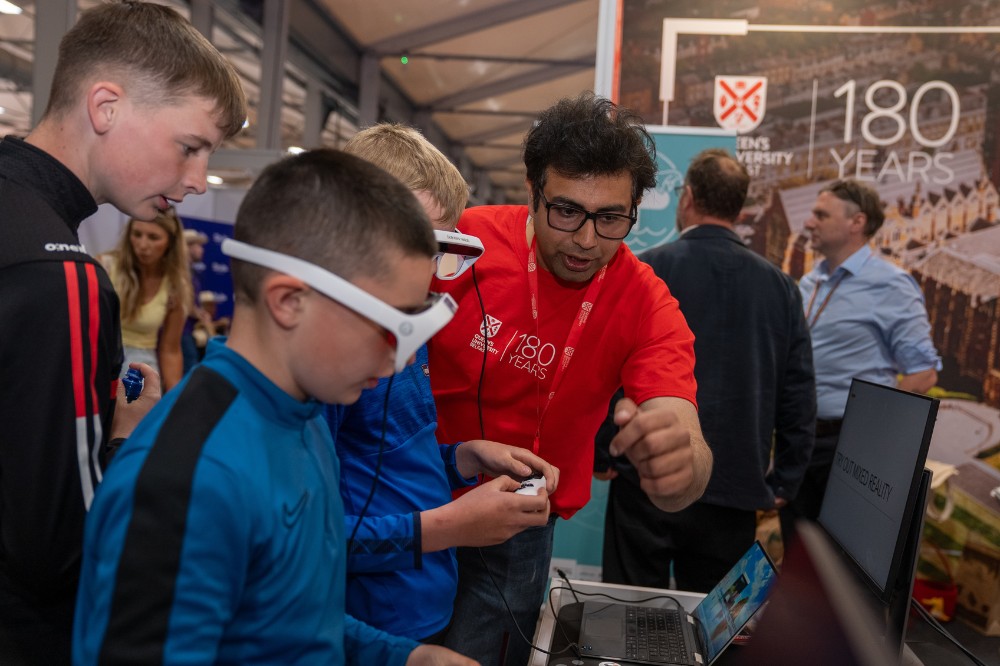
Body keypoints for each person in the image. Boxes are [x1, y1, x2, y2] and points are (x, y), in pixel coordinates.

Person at [73, 148, 474, 666]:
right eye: (388, 325)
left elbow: (290, 617)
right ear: (288, 302)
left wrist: (404, 657)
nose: (399, 358)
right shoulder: (188, 479)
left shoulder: (302, 419)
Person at [428, 92, 713, 665]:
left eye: (611, 218)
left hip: (521, 526)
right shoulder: (463, 243)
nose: (587, 240)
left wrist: (679, 465)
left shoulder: (645, 300)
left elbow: (684, 436)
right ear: (533, 193)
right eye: (567, 212)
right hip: (415, 496)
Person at [0, 2, 246, 662]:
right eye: (189, 147)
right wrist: (125, 435)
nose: (197, 181)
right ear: (105, 106)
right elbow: (59, 543)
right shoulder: (65, 280)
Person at [329, 123, 559, 643]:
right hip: (367, 622)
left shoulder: (405, 334)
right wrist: (451, 528)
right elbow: (310, 541)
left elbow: (383, 463)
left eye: (440, 249)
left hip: (422, 605)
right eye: (418, 244)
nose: (430, 271)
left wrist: (464, 457)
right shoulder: (330, 360)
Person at [596, 149, 816, 592]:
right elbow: (798, 392)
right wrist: (787, 478)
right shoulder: (781, 287)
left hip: (646, 478)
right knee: (713, 635)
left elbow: (607, 371)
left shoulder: (645, 271)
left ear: (688, 198)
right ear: (739, 208)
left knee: (626, 618)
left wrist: (604, 453)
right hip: (735, 487)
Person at [780, 178, 941, 540]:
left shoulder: (892, 285)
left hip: (848, 449)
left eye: (821, 215)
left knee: (845, 570)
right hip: (800, 442)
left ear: (857, 222)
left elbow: (923, 374)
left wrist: (867, 440)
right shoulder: (811, 281)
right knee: (799, 561)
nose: (808, 223)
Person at [101, 207, 193, 391]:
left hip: (140, 372)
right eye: (137, 234)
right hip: (101, 361)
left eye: (153, 237)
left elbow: (170, 350)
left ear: (170, 242)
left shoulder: (175, 286)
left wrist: (173, 400)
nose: (143, 245)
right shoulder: (106, 266)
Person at [181, 227, 211, 372]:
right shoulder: (182, 272)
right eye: (197, 245)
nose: (201, 250)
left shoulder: (188, 271)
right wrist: (200, 314)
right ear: (187, 247)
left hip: (186, 330)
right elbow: (184, 302)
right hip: (181, 331)